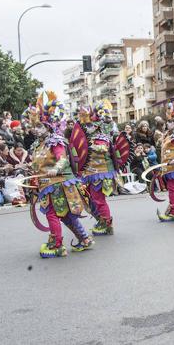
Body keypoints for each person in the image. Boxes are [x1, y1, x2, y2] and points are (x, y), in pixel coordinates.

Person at [26, 92, 93, 258]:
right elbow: (38, 164)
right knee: (66, 215)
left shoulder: (55, 141)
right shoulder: (38, 145)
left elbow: (62, 159)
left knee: (52, 214)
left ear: (49, 126)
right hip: (46, 184)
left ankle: (57, 245)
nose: (36, 129)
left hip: (59, 183)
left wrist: (56, 168)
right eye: (35, 126)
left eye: (40, 126)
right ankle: (84, 239)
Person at [76, 100, 122, 236]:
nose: (87, 127)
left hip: (102, 173)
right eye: (86, 125)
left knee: (99, 200)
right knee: (90, 199)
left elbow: (103, 148)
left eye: (89, 124)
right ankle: (101, 220)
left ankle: (107, 224)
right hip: (88, 174)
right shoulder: (85, 137)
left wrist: (89, 145)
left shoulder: (101, 136)